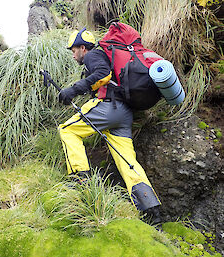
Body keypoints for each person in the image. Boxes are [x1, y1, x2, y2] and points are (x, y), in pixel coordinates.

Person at [58, 28, 162, 224]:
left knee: (67, 130)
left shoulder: (93, 55)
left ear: (83, 48)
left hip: (109, 106)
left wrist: (72, 90)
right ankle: (152, 212)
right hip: (124, 114)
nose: (73, 55)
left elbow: (103, 74)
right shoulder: (106, 55)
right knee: (128, 162)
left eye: (74, 50)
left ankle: (80, 180)